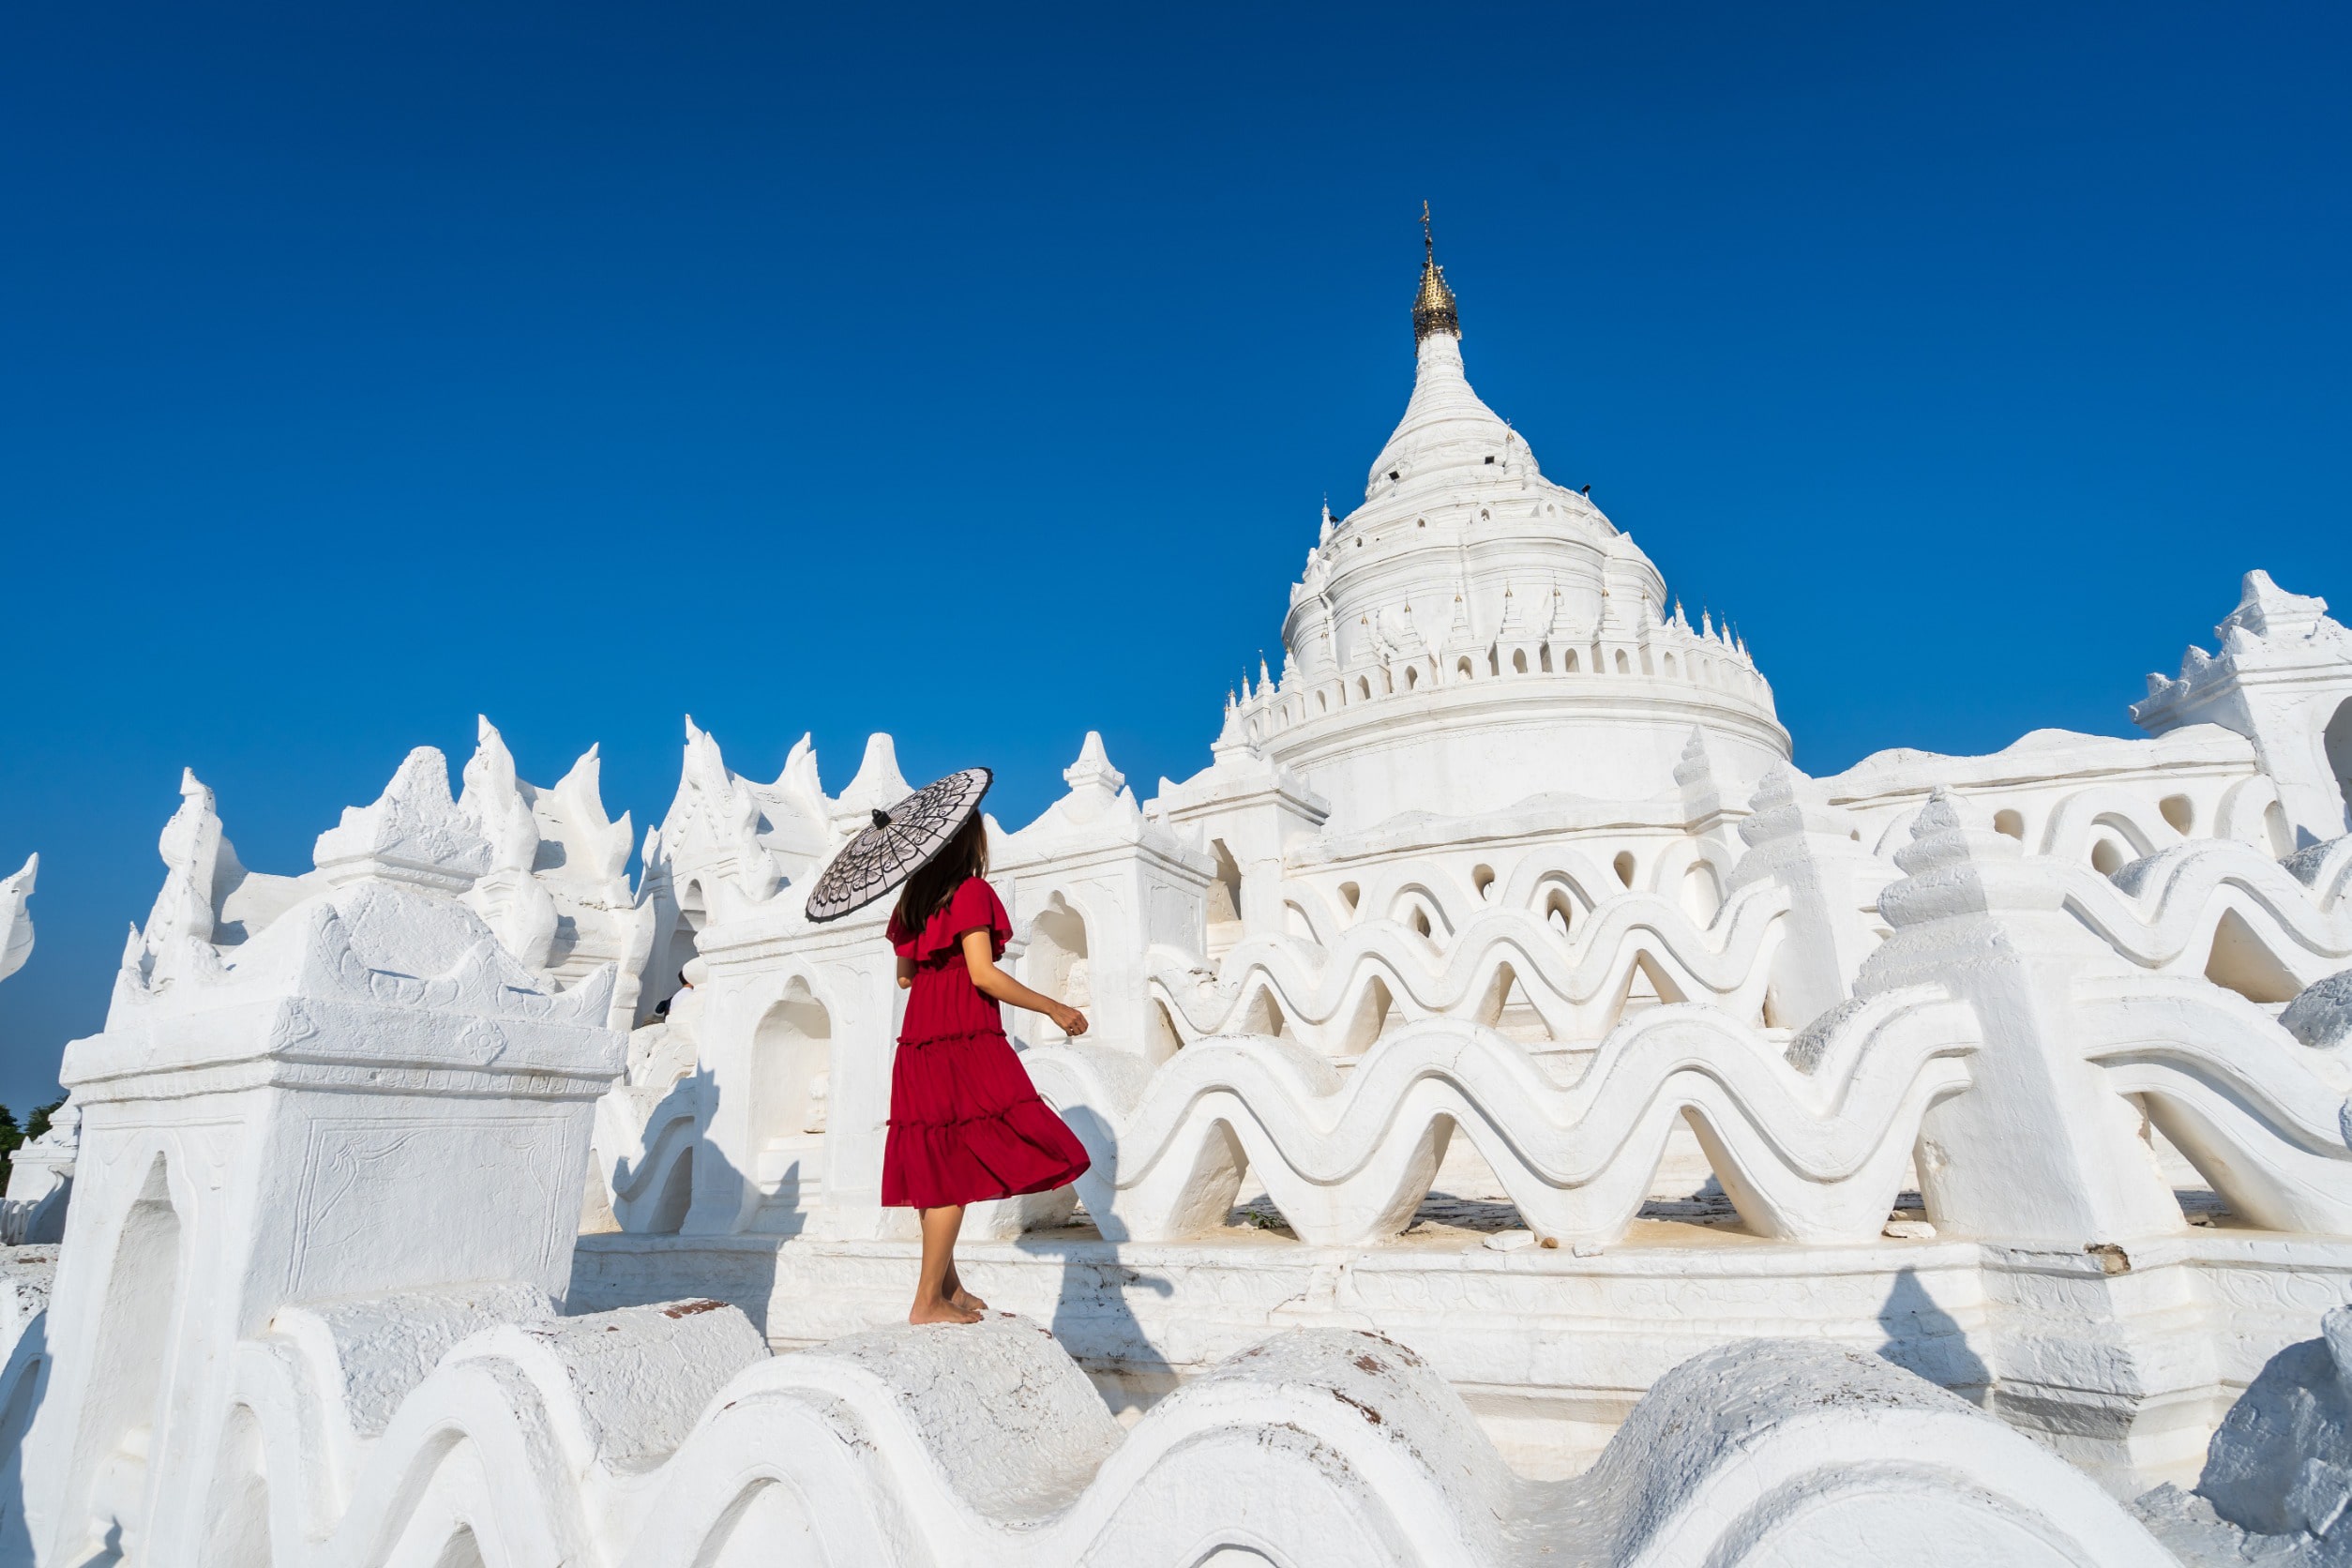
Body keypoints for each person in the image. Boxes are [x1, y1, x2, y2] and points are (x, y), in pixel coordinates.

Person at [883, 810, 1091, 1325]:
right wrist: (1053, 1007)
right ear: (967, 842)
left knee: (936, 1153)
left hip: (920, 1038)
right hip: (961, 1034)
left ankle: (947, 1287)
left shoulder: (910, 900)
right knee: (954, 1163)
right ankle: (927, 1299)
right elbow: (982, 974)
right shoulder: (970, 892)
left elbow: (905, 979)